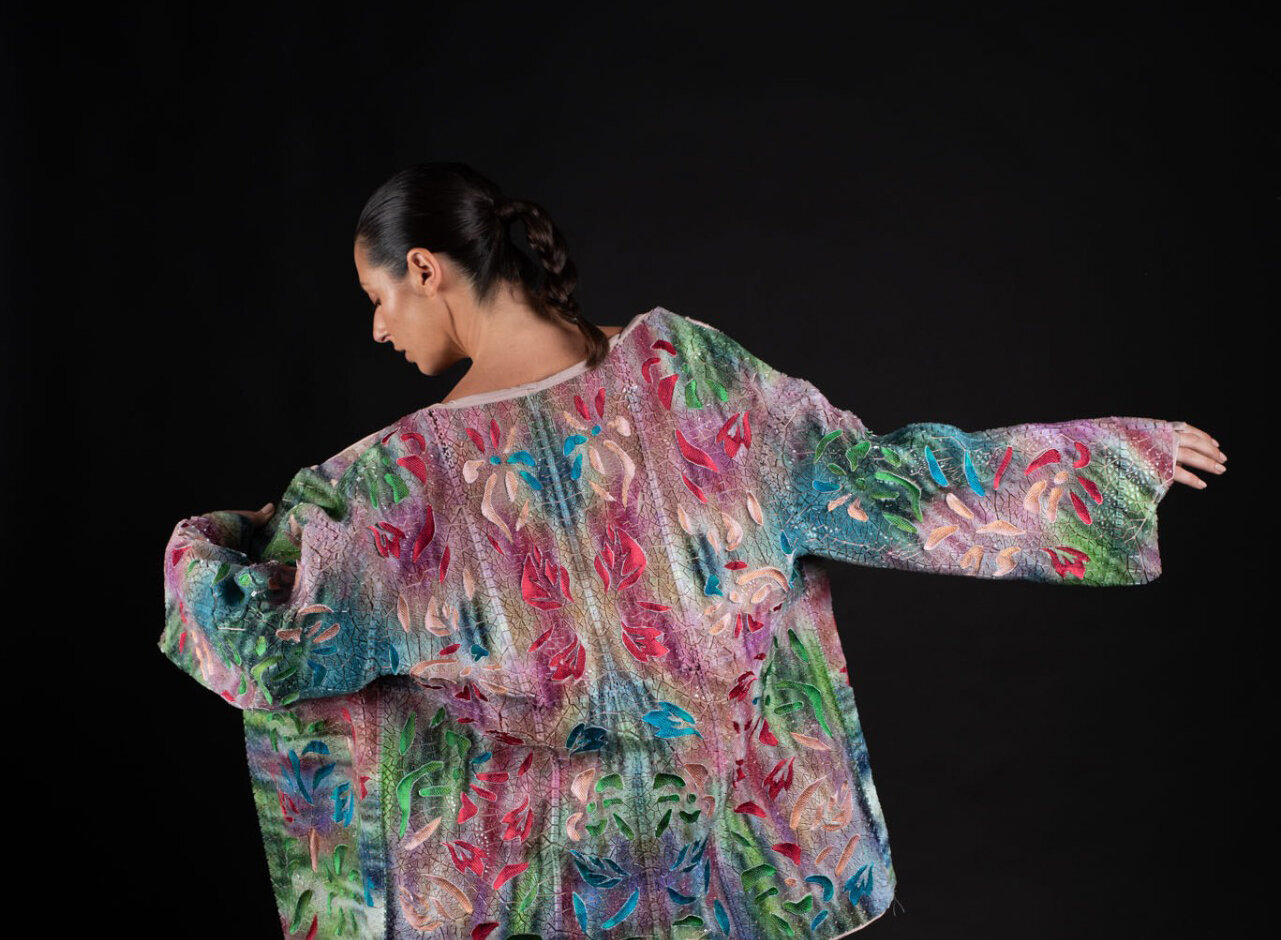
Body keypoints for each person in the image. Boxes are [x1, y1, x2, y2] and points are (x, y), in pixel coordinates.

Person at [159, 162, 1225, 939]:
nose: (379, 330)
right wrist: (1104, 462)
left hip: (553, 896)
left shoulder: (389, 484)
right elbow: (878, 485)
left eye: (379, 297)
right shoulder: (688, 376)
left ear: (426, 268)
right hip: (738, 874)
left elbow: (266, 646)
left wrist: (220, 542)